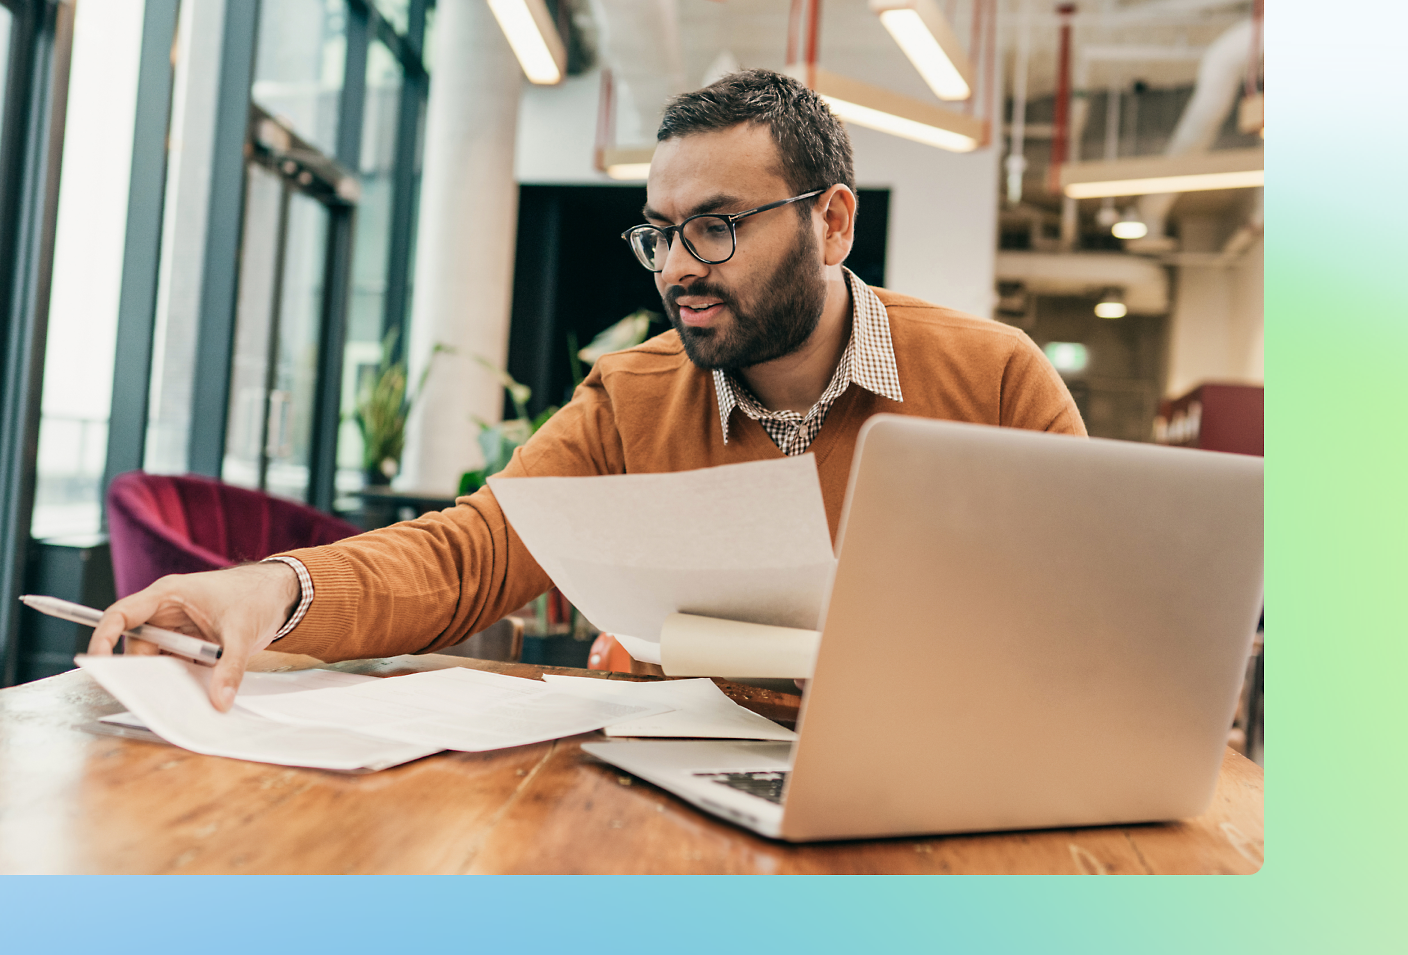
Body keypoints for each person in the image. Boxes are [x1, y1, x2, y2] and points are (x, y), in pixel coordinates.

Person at [88, 69, 1084, 708]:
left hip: (937, 783)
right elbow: (472, 554)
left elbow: (1082, 626)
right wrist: (275, 586)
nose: (677, 267)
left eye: (717, 224)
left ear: (830, 224)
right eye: (660, 230)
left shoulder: (993, 380)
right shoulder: (631, 397)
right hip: (697, 776)